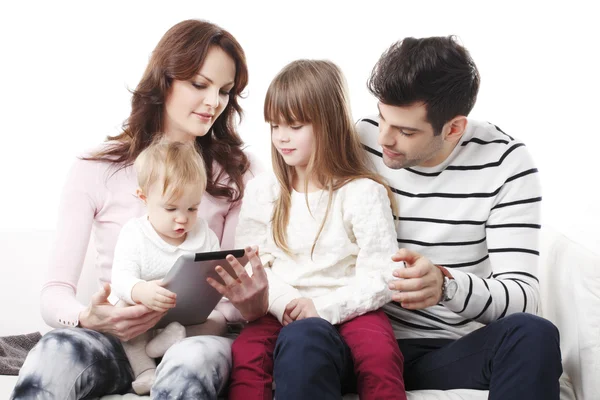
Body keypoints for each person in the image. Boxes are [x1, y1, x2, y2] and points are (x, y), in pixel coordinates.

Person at [272, 37, 563, 400]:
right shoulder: (357, 140)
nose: (384, 139)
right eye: (382, 118)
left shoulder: (506, 164)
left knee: (533, 333)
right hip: (357, 339)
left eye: (406, 131)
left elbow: (524, 296)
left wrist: (446, 286)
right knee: (303, 337)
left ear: (453, 128)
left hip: (445, 351)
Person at [10, 19, 268, 400]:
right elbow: (54, 293)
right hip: (118, 338)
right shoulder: (94, 169)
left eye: (225, 91)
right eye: (199, 84)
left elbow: (228, 295)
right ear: (164, 80)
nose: (214, 102)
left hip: (195, 339)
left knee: (191, 363)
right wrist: (89, 317)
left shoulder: (237, 173)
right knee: (53, 352)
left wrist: (240, 309)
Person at [228, 59, 407, 400]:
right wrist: (288, 303)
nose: (282, 137)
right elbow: (253, 264)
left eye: (294, 125)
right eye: (275, 125)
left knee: (380, 355)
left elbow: (383, 274)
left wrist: (321, 308)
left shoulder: (362, 192)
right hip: (280, 305)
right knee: (247, 354)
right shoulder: (264, 190)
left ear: (328, 124)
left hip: (351, 305)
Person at [110, 140, 233, 394]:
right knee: (124, 312)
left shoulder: (203, 234)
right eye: (171, 208)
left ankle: (173, 338)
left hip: (183, 319)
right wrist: (140, 291)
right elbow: (121, 278)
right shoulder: (135, 233)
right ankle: (145, 370)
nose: (183, 218)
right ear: (143, 197)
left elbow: (210, 278)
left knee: (219, 321)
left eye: (192, 208)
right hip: (143, 315)